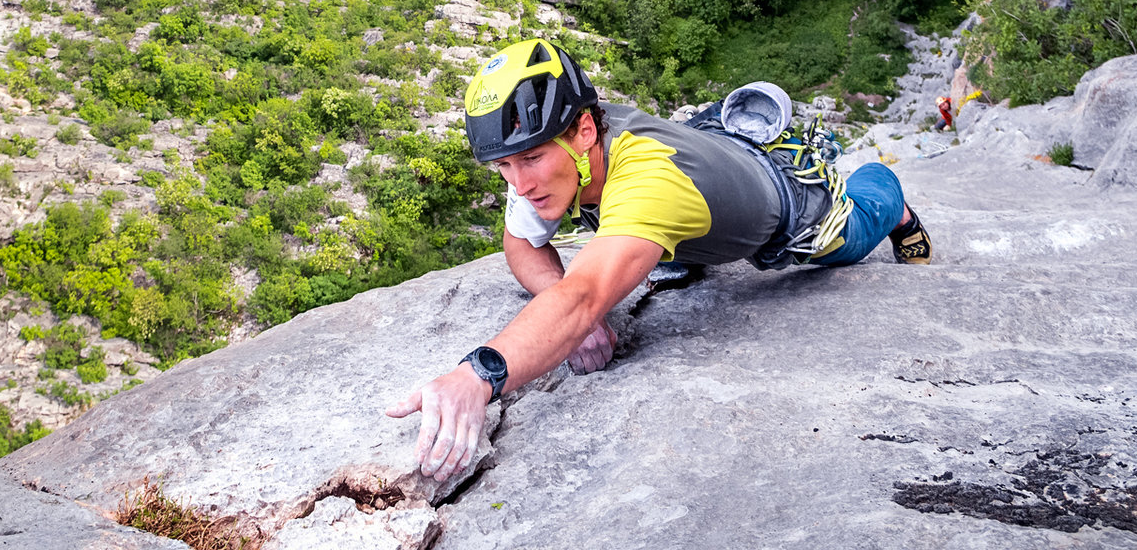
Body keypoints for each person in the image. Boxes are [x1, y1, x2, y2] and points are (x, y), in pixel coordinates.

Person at [386, 37, 934, 483]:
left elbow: (581, 296)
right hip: (703, 147)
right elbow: (522, 244)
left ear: (583, 130)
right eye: (504, 167)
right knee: (641, 253)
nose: (519, 183)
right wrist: (570, 305)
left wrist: (479, 374)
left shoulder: (648, 181)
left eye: (529, 159)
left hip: (792, 207)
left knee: (859, 229)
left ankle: (891, 199)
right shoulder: (556, 153)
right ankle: (676, 239)